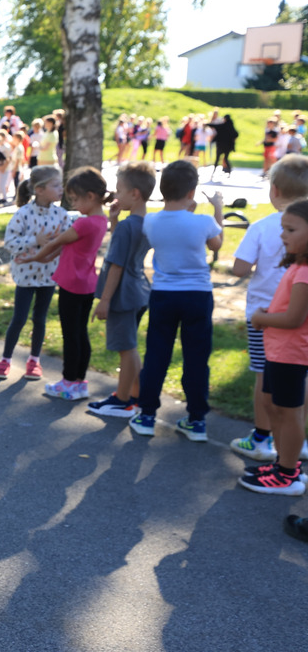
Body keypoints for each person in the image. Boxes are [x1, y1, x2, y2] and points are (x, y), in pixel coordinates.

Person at [129, 160, 224, 440]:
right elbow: (216, 244)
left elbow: (173, 229)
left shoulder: (151, 221)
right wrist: (218, 208)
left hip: (164, 294)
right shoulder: (203, 222)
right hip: (198, 295)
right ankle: (196, 420)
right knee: (196, 358)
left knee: (157, 354)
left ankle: (147, 414)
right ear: (192, 192)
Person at [230, 156, 308, 462]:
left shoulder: (263, 227)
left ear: (274, 189)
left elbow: (239, 268)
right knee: (299, 379)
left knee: (264, 376)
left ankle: (262, 437)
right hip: (299, 322)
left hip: (266, 317)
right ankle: (295, 439)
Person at [18, 167, 111, 401]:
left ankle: (68, 382)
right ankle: (79, 382)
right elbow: (64, 247)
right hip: (87, 285)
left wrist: (31, 258)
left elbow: (54, 244)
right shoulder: (101, 220)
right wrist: (44, 258)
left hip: (72, 285)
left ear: (90, 196)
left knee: (70, 336)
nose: (74, 205)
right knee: (81, 333)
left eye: (76, 200)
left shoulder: (83, 224)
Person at [242, 198, 308, 495]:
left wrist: (262, 318)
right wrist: (269, 315)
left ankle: (287, 474)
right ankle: (283, 463)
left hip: (291, 355)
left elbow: (294, 318)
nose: (283, 235)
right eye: (283, 228)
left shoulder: (305, 272)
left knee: (288, 412)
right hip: (277, 351)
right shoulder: (298, 265)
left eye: (291, 230)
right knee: (273, 406)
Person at [87, 162, 157, 418]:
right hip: (139, 290)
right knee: (130, 345)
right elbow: (125, 247)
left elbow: (116, 263)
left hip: (122, 294)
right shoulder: (145, 222)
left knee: (127, 348)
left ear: (134, 193)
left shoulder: (129, 226)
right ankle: (133, 395)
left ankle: (123, 399)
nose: (115, 195)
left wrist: (104, 300)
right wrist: (114, 220)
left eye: (119, 190)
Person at [0, 166, 70, 383]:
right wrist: (35, 240)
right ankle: (5, 360)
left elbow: (68, 242)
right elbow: (10, 243)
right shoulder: (23, 214)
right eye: (56, 185)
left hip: (49, 277)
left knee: (40, 319)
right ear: (40, 189)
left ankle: (34, 360)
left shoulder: (62, 215)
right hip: (25, 277)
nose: (61, 189)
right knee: (19, 318)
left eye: (60, 184)